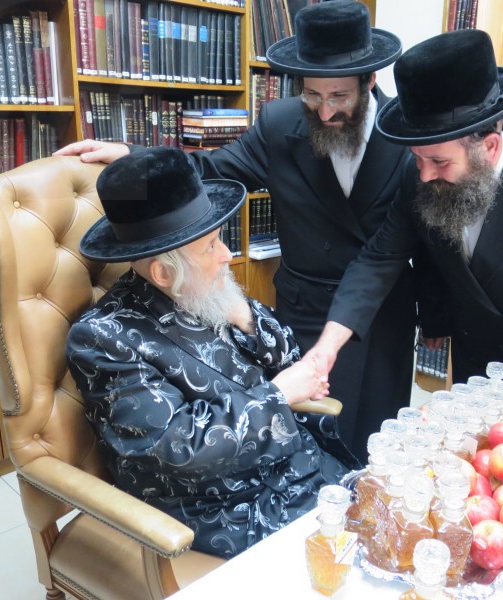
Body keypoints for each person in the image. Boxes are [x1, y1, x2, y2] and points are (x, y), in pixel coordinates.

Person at [55, 0, 418, 463]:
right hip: (307, 308)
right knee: (312, 436)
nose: (325, 112)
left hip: (382, 315)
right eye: (312, 95)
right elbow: (211, 170)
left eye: (339, 97)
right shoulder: (279, 123)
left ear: (369, 81)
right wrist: (132, 156)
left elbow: (413, 236)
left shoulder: (405, 132)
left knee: (381, 440)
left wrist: (438, 313)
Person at [66, 146, 356, 558]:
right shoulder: (103, 338)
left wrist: (247, 320)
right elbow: (172, 447)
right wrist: (278, 395)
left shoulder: (202, 289)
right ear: (162, 271)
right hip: (226, 506)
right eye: (211, 246)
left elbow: (288, 354)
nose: (227, 255)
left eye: (220, 238)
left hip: (297, 463)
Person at [308, 29, 503, 427]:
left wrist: (496, 411)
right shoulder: (420, 172)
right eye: (417, 159)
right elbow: (378, 259)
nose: (424, 174)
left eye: (439, 162)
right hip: (477, 356)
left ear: (489, 147)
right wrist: (327, 346)